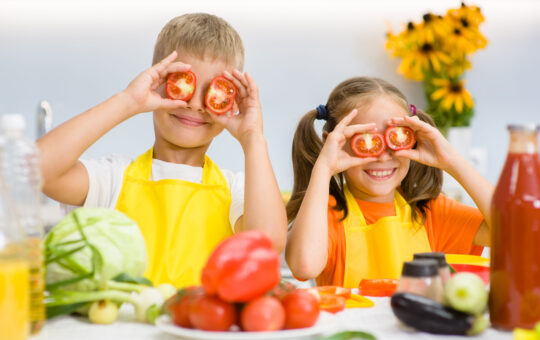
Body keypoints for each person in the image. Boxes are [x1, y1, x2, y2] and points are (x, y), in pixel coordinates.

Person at [37, 13, 287, 288]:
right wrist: (128, 101)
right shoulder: (113, 178)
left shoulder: (237, 190)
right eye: (181, 83)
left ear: (231, 101)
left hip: (199, 329)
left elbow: (268, 242)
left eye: (215, 92)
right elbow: (37, 170)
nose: (194, 103)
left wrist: (253, 138)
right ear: (157, 80)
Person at [285, 76, 492, 288]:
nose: (383, 157)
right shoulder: (324, 215)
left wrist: (453, 161)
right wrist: (323, 168)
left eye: (397, 138)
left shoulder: (430, 213)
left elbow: (516, 231)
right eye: (366, 140)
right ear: (333, 144)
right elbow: (304, 266)